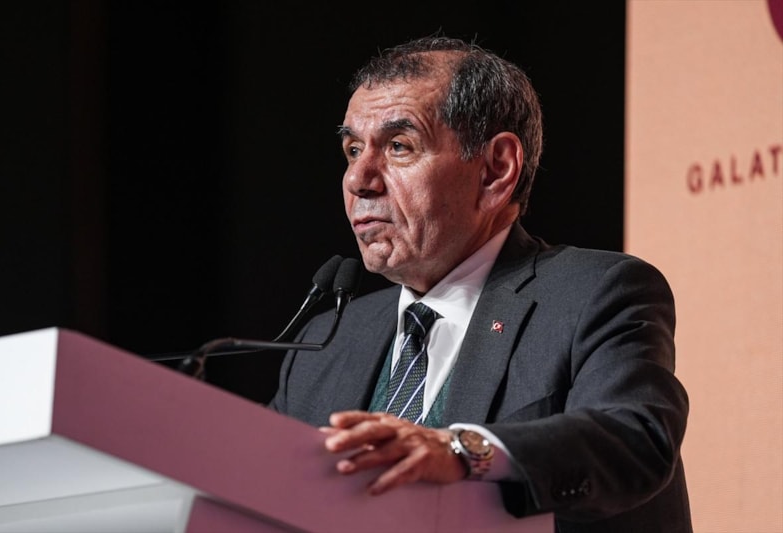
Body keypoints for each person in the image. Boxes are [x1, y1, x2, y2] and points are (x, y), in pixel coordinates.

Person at [269, 35, 692, 532]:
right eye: (353, 149)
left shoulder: (595, 294)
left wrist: (460, 450)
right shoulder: (325, 345)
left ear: (495, 170)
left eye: (399, 146)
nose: (359, 179)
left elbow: (634, 438)